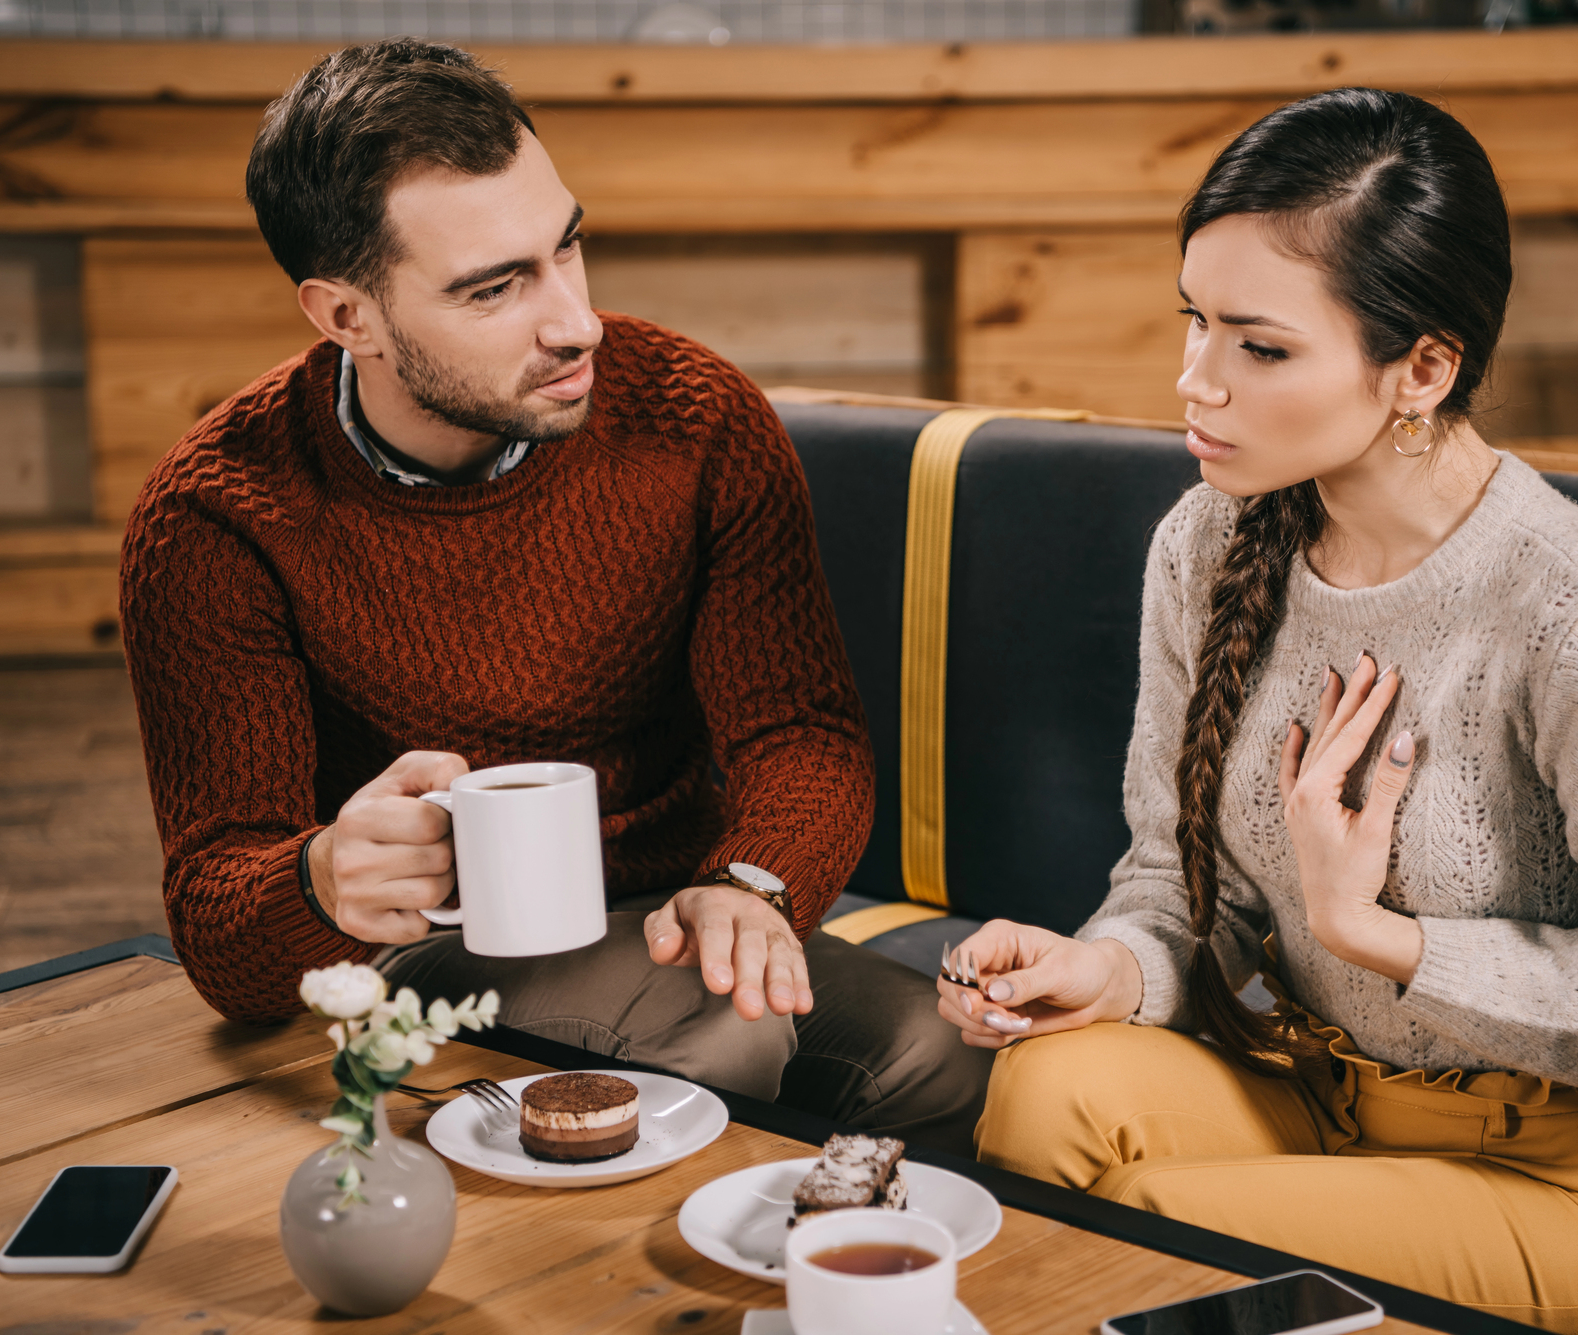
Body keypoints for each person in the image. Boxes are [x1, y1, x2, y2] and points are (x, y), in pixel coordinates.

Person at [934, 88, 1578, 1331]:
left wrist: (1368, 930)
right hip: (1315, 1095)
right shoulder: (1206, 542)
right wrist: (1102, 968)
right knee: (1042, 1091)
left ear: (1422, 367)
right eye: (1193, 323)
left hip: (1565, 1182)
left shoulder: (1577, 608)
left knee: (1157, 1226)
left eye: (1257, 347)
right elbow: (1170, 878)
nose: (1193, 383)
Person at [119, 37, 989, 1155]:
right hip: (417, 955)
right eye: (496, 288)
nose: (573, 319)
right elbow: (218, 933)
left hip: (679, 909)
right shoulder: (216, 516)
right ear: (346, 318)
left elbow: (801, 735)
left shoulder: (695, 417)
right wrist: (321, 875)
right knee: (727, 1042)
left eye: (566, 248)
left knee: (946, 1054)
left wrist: (751, 885)